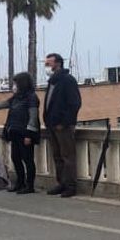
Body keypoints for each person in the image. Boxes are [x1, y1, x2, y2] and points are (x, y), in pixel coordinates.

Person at [0, 72, 41, 194]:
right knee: (15, 158)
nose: (14, 86)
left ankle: (30, 185)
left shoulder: (31, 97)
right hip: (14, 132)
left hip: (25, 133)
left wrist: (29, 134)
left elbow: (33, 117)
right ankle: (20, 182)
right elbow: (1, 105)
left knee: (28, 159)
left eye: (15, 83)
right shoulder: (15, 98)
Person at [43, 53, 82, 198]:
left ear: (58, 64)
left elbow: (74, 103)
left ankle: (71, 186)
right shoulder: (52, 81)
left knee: (67, 156)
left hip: (63, 126)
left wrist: (64, 122)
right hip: (51, 125)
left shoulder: (67, 80)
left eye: (49, 64)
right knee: (57, 156)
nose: (47, 67)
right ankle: (62, 183)